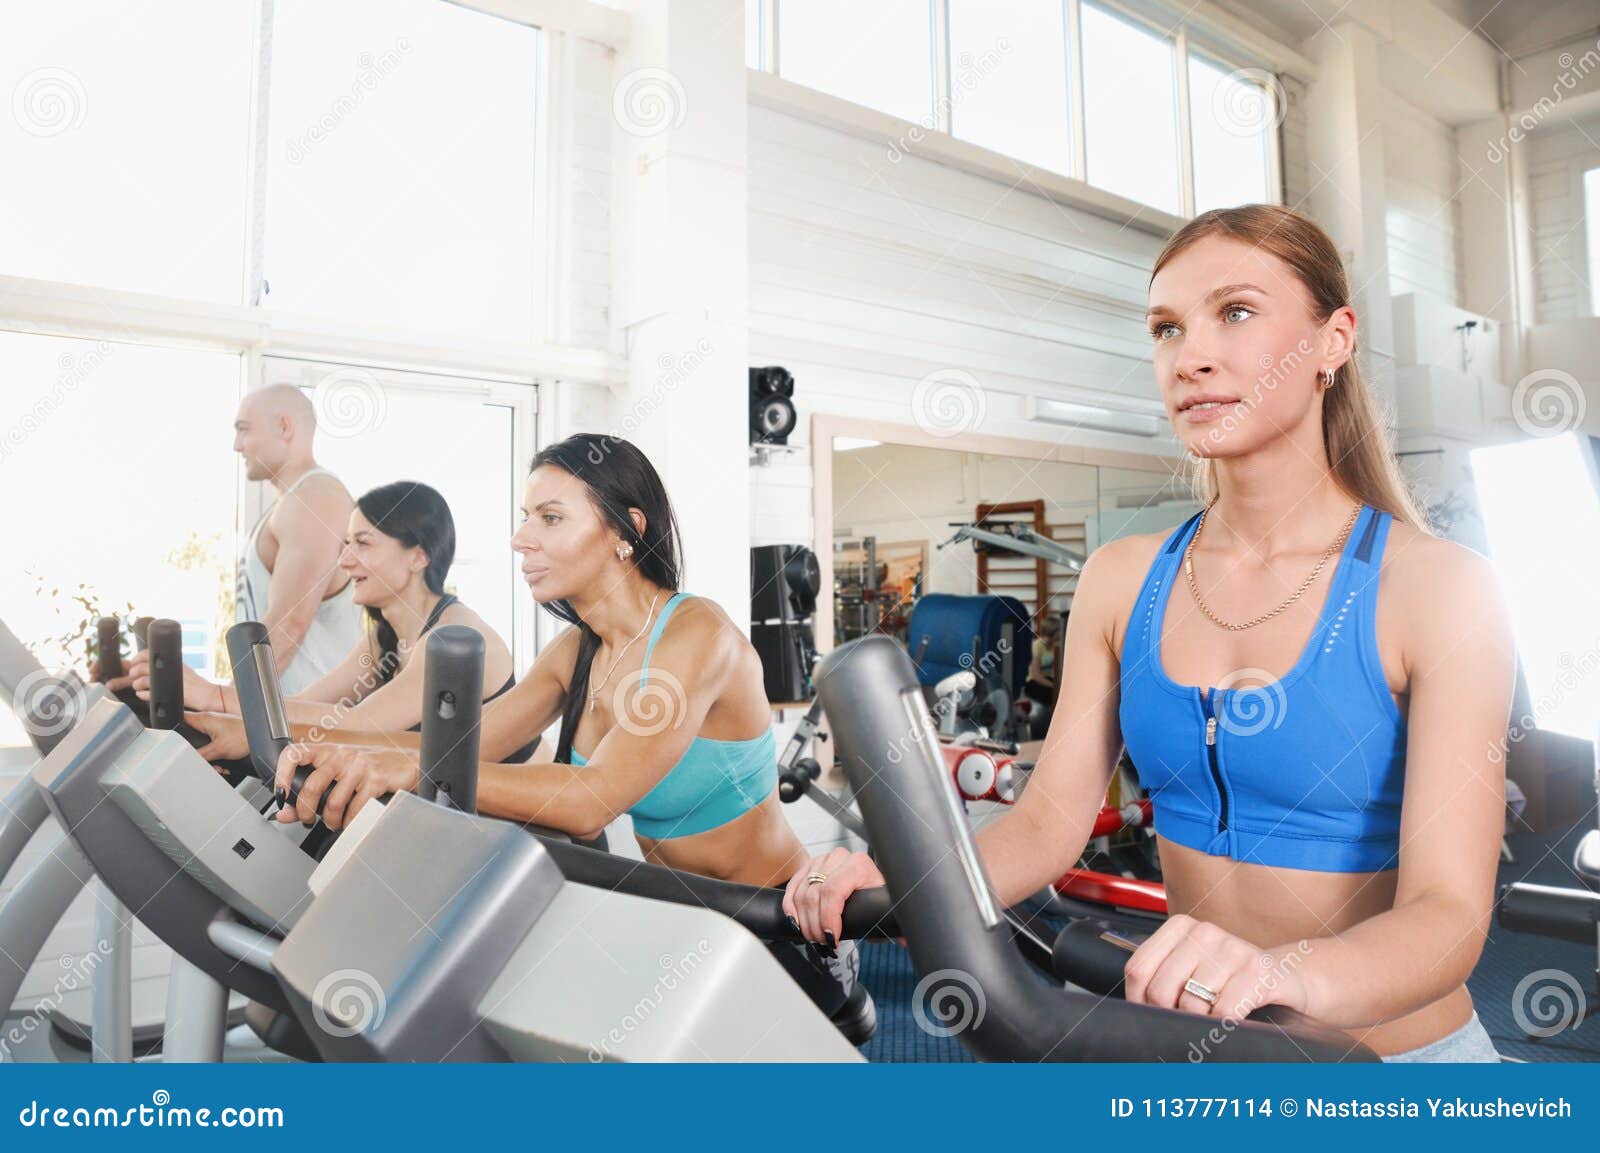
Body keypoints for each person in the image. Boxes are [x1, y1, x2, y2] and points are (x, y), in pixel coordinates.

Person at [785, 204, 1515, 1063]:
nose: (1191, 355)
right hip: (1204, 1052)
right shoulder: (1124, 578)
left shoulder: (1437, 587)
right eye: (1167, 328)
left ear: (1333, 340)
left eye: (1236, 313)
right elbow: (1046, 825)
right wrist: (910, 870)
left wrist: (1284, 973)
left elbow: (1449, 917)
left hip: (1393, 1063)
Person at [205, 434, 874, 1041]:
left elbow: (591, 799)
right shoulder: (577, 651)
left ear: (624, 531)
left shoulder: (697, 636)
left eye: (550, 518)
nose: (522, 539)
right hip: (683, 924)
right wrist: (350, 758)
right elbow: (461, 750)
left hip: (781, 927)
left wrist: (392, 770)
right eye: (526, 518)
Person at [123, 482, 524, 746]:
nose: (345, 560)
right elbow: (309, 705)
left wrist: (215, 697)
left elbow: (364, 726)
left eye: (363, 545)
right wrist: (220, 715)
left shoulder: (453, 638)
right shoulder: (384, 637)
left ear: (418, 556)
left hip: (520, 828)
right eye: (346, 544)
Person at [232, 385, 363, 694]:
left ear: (284, 427)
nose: (237, 446)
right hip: (285, 723)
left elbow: (287, 629)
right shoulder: (290, 503)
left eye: (244, 430)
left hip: (306, 729)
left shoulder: (315, 497)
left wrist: (225, 706)